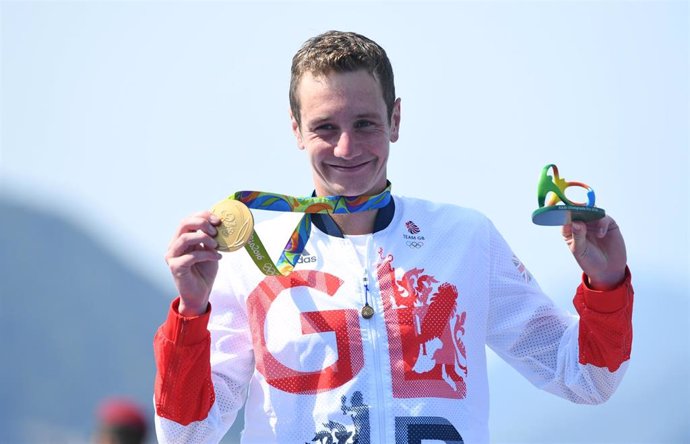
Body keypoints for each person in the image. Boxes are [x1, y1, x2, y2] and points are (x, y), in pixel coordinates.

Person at [153, 30, 633, 444]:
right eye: (325, 127)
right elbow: (186, 434)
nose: (347, 147)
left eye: (365, 123)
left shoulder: (464, 239)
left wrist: (607, 286)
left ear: (396, 120)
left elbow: (586, 378)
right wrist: (191, 315)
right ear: (296, 128)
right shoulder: (248, 258)